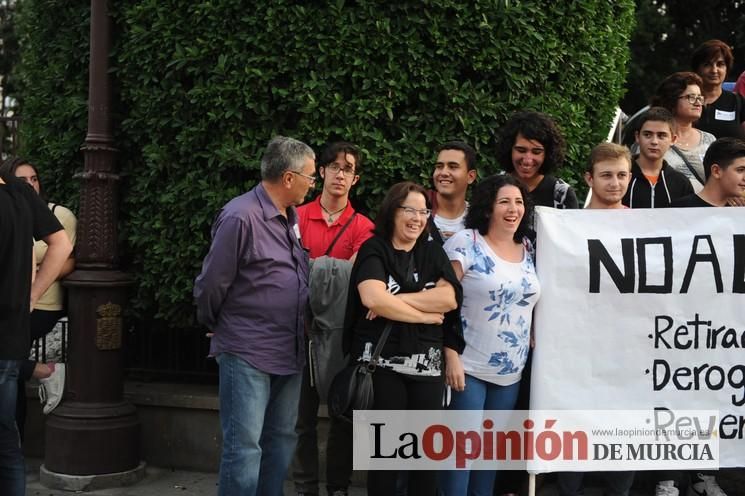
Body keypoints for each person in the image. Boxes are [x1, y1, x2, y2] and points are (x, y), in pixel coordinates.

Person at [194, 136, 315, 496]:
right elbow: (211, 284)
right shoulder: (240, 215)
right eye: (311, 176)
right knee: (245, 448)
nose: (314, 184)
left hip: (288, 348)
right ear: (289, 178)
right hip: (247, 349)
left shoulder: (288, 216)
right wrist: (216, 324)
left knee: (280, 440)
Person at [343, 181, 462, 496]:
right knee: (386, 459)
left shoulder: (432, 251)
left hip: (427, 369)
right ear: (393, 211)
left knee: (425, 459)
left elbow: (449, 299)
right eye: (410, 209)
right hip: (383, 368)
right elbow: (371, 297)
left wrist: (393, 303)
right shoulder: (375, 249)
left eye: (424, 211)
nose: (418, 218)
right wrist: (423, 312)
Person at [440, 174, 541, 496]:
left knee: (489, 460)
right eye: (504, 202)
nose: (513, 209)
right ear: (487, 208)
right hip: (467, 368)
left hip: (511, 372)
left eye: (519, 202)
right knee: (461, 457)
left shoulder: (528, 247)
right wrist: (449, 353)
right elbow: (441, 301)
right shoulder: (464, 242)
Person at [661, 138, 745, 496]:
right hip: (679, 326)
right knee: (675, 398)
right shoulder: (676, 210)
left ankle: (703, 474)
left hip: (723, 328)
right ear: (716, 171)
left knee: (712, 395)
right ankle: (666, 477)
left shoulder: (740, 215)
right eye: (741, 170)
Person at [292, 141, 373, 496]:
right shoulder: (293, 217)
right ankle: (305, 487)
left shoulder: (364, 227)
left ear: (355, 179)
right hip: (297, 333)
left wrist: (309, 268)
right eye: (335, 167)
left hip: (341, 335)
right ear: (321, 172)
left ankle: (337, 488)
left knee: (343, 416)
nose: (341, 174)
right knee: (299, 422)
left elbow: (357, 280)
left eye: (349, 169)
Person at [556, 143, 635, 496]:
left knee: (624, 420)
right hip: (578, 342)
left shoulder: (646, 225)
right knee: (575, 419)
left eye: (621, 175)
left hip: (628, 342)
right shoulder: (566, 227)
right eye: (606, 175)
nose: (615, 183)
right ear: (589, 178)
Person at [0, 171, 72, 496]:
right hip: (10, 336)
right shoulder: (20, 195)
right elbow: (61, 243)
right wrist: (31, 295)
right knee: (6, 442)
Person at [496, 110, 578, 209]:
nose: (527, 160)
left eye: (536, 152)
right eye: (521, 150)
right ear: (509, 149)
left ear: (547, 154)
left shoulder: (562, 195)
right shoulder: (493, 188)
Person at [649, 72, 716, 191]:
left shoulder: (710, 140)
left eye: (700, 97)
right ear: (672, 100)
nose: (698, 103)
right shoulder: (652, 140)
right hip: (666, 207)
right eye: (691, 97)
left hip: (705, 209)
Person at [622, 107, 694, 208]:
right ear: (637, 137)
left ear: (673, 139)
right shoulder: (619, 177)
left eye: (661, 136)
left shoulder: (681, 183)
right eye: (647, 134)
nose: (654, 141)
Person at [690, 39, 745, 139]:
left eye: (720, 64)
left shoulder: (738, 101)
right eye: (707, 64)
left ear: (727, 69)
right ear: (697, 68)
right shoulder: (685, 100)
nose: (714, 70)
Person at [429, 141, 478, 243]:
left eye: (453, 167)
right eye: (439, 166)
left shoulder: (479, 220)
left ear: (471, 176)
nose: (443, 173)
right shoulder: (418, 211)